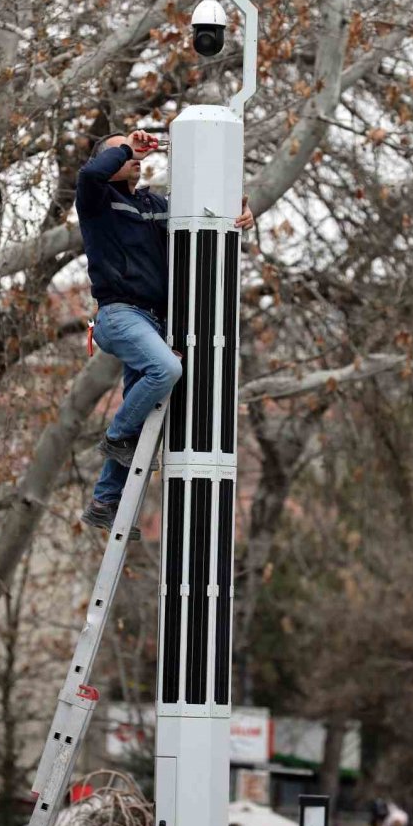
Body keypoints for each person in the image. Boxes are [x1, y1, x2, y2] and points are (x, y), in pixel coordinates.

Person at [76, 129, 254, 540]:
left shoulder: (154, 204)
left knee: (145, 414)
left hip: (154, 320)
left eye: (136, 152)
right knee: (165, 370)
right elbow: (89, 176)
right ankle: (115, 436)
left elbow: (201, 221)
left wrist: (241, 212)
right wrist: (126, 146)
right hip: (119, 314)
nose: (134, 157)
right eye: (121, 152)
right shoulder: (97, 198)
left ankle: (105, 501)